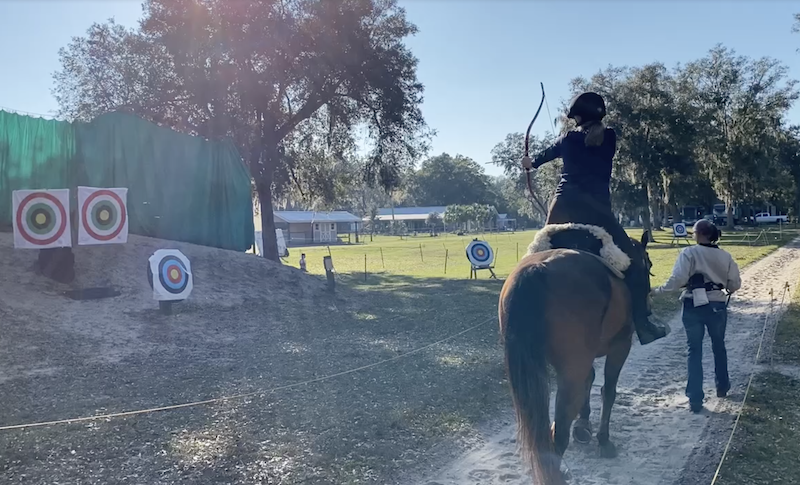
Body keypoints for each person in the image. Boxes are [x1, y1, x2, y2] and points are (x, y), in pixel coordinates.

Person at [523, 91, 668, 344]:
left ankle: (523, 323)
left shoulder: (567, 139)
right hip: (596, 210)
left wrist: (529, 162)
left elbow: (539, 158)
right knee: (635, 260)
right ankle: (643, 323)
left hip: (563, 207)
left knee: (535, 258)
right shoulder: (609, 137)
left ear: (578, 117)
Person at [653, 219, 741, 413]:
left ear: (701, 234)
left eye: (693, 232)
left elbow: (677, 280)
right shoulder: (726, 256)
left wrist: (658, 290)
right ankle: (722, 386)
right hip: (717, 304)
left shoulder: (689, 253)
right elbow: (734, 285)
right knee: (719, 346)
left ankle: (695, 398)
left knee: (694, 351)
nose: (692, 235)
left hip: (693, 305)